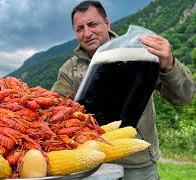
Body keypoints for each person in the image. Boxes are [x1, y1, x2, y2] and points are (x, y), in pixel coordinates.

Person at [51, 1, 196, 180]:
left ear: (107, 23)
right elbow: (54, 112)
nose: (87, 33)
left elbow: (185, 96)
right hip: (91, 165)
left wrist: (170, 65)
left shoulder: (140, 53)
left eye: (93, 24)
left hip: (137, 164)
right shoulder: (69, 69)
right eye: (80, 28)